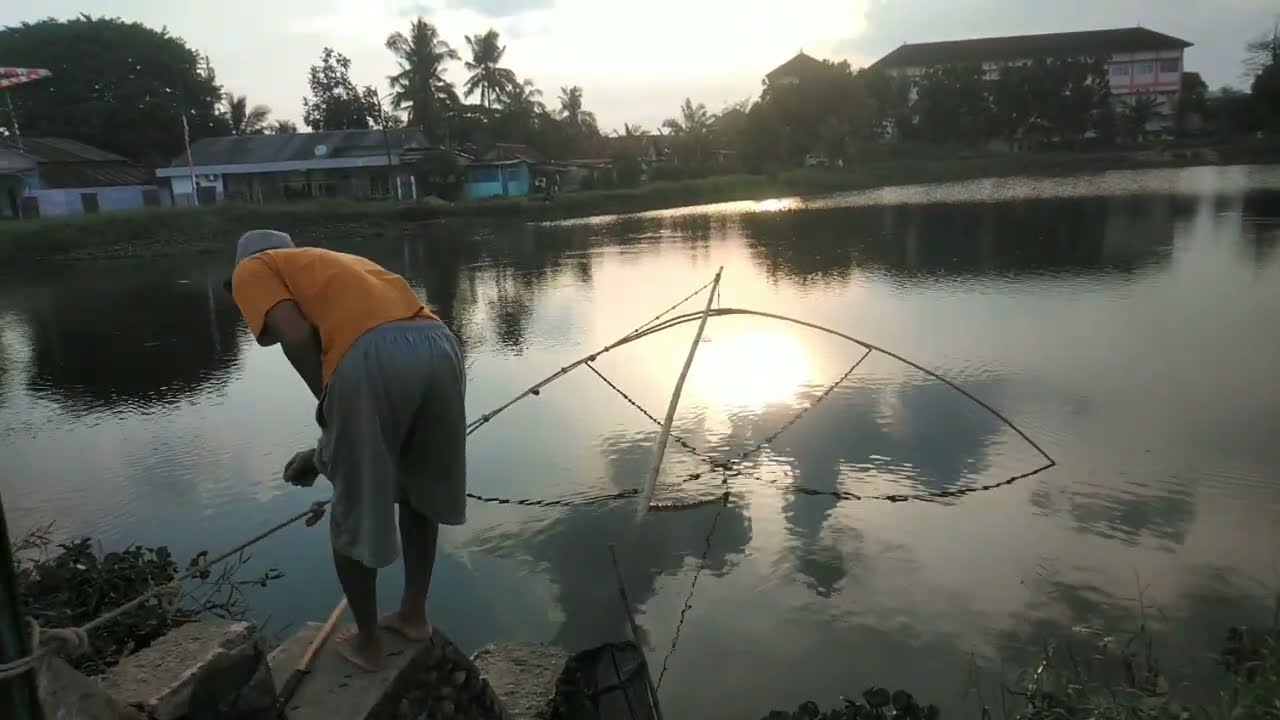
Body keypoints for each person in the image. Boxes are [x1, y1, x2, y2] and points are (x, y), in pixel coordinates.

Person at [226, 229, 466, 671]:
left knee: (354, 509)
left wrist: (327, 397)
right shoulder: (332, 263)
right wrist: (323, 449)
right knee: (420, 493)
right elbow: (369, 412)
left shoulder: (253, 267)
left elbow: (296, 336)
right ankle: (414, 616)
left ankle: (368, 644)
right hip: (439, 342)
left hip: (374, 353)